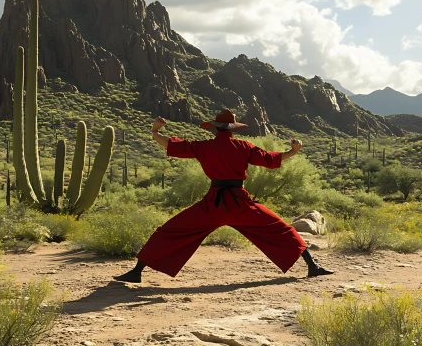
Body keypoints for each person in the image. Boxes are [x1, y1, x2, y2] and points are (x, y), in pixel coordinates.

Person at [114, 110, 334, 284]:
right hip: (241, 204)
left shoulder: (204, 147)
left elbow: (171, 144)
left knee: (170, 231)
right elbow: (269, 159)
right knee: (280, 229)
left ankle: (137, 272)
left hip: (212, 205)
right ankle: (313, 267)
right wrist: (293, 151)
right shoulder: (243, 146)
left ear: (215, 128)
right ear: (232, 129)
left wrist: (155, 131)